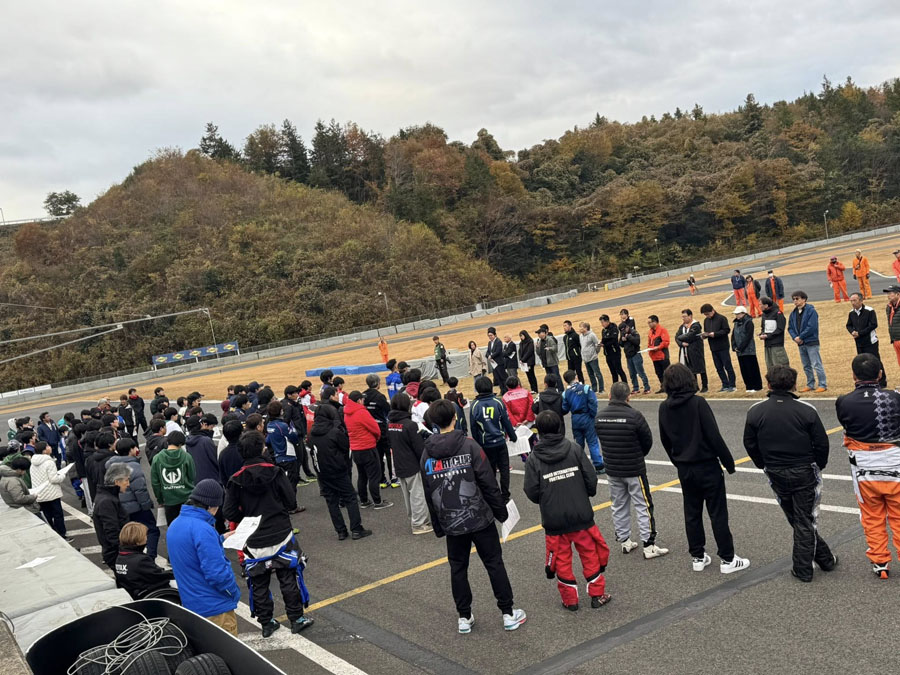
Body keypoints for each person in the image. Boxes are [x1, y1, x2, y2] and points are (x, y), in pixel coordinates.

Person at [420, 399, 526, 634]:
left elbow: (429, 492)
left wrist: (438, 524)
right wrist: (501, 512)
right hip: (479, 517)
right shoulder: (470, 446)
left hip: (451, 521)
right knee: (494, 563)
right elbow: (488, 483)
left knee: (458, 568)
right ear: (455, 418)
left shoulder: (427, 453)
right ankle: (508, 613)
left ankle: (464, 616)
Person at [743, 365, 836, 582]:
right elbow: (821, 443)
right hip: (803, 470)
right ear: (794, 384)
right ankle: (804, 568)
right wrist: (818, 465)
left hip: (776, 471)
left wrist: (763, 464)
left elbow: (749, 443)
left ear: (768, 384)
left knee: (799, 518)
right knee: (803, 518)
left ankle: (825, 559)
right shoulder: (806, 409)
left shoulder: (755, 411)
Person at [658, 363, 749, 574]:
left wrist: (677, 461)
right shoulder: (698, 403)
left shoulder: (664, 407)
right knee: (717, 512)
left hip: (684, 468)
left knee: (692, 512)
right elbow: (713, 435)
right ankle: (727, 558)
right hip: (706, 465)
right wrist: (728, 462)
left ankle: (697, 556)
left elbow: (665, 440)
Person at [224, 431, 313, 637]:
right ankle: (296, 618)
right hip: (280, 531)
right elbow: (291, 501)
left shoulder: (236, 480)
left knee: (259, 582)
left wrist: (247, 514)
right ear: (261, 448)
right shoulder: (275, 472)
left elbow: (229, 512)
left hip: (253, 537)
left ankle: (266, 622)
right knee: (288, 576)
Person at [524, 411, 611, 611]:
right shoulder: (574, 449)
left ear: (539, 431)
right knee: (589, 554)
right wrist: (586, 494)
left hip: (554, 519)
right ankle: (597, 595)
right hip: (580, 513)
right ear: (559, 427)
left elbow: (531, 490)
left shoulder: (534, 458)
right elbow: (591, 478)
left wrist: (545, 501)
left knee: (561, 559)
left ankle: (570, 600)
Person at [835, 353, 900, 578]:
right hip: (895, 464)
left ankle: (880, 561)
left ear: (854, 376)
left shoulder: (843, 401)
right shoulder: (895, 397)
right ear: (880, 374)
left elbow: (846, 425)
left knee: (872, 516)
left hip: (863, 469)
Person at [595, 383, 667, 559]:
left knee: (618, 504)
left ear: (610, 396)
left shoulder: (600, 417)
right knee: (643, 505)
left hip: (612, 468)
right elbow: (647, 440)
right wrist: (638, 454)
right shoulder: (634, 415)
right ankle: (648, 545)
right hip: (634, 468)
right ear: (628, 397)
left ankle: (624, 540)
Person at [167, 479, 241, 635]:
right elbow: (217, 574)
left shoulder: (176, 524)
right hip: (216, 609)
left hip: (192, 606)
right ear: (212, 506)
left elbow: (191, 550)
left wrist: (220, 538)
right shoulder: (203, 529)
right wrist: (234, 592)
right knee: (226, 649)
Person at [308, 403, 371, 541]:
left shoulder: (312, 433)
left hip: (322, 472)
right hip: (338, 470)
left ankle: (341, 531)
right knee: (350, 498)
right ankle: (356, 529)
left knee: (331, 501)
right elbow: (345, 447)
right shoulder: (334, 432)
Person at [106, 437, 160, 559]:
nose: (136, 449)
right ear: (130, 450)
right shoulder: (134, 467)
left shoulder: (111, 465)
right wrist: (146, 506)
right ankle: (150, 558)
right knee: (151, 530)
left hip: (120, 507)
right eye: (135, 447)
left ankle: (131, 559)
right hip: (136, 507)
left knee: (128, 534)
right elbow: (140, 490)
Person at [387, 393, 432, 535]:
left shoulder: (390, 424)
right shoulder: (410, 425)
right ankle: (419, 524)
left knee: (407, 495)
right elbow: (419, 448)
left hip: (398, 463)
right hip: (412, 464)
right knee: (418, 495)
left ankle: (414, 519)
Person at [470, 376, 517, 503]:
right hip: (500, 442)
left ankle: (494, 494)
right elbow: (506, 421)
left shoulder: (475, 405)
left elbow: (474, 428)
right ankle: (505, 494)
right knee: (504, 469)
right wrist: (513, 436)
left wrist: (477, 444)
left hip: (486, 444)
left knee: (490, 471)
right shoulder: (498, 402)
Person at [345, 391, 392, 509]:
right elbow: (375, 428)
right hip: (367, 447)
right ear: (359, 400)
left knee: (362, 475)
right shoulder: (361, 412)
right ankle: (377, 501)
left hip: (355, 448)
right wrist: (376, 438)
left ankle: (364, 500)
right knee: (374, 476)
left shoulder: (346, 413)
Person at [114, 522, 174, 599]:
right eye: (145, 535)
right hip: (151, 594)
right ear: (138, 539)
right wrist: (175, 573)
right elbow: (159, 575)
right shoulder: (141, 560)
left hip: (133, 593)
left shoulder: (120, 558)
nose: (147, 538)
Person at [561, 370, 604, 473]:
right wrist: (592, 415)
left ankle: (580, 466)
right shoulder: (585, 388)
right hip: (587, 416)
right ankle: (598, 465)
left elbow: (564, 409)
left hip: (575, 418)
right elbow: (593, 402)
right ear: (576, 377)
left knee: (579, 444)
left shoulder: (565, 393)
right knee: (592, 442)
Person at [265, 402, 304, 514]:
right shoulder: (282, 426)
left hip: (278, 457)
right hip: (288, 456)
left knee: (284, 482)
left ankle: (285, 504)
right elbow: (294, 437)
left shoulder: (270, 425)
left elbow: (268, 441)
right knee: (292, 482)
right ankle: (292, 506)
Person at [150, 430, 196, 524]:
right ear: (181, 444)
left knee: (173, 526)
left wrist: (160, 499)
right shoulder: (187, 457)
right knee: (189, 525)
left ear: (167, 441)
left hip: (168, 499)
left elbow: (155, 483)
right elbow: (192, 476)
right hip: (186, 497)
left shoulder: (157, 458)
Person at [787, 290, 827, 392]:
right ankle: (810, 384)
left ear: (804, 299)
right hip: (800, 343)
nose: (795, 301)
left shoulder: (811, 311)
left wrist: (801, 337)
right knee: (806, 365)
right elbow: (790, 327)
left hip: (811, 341)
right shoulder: (793, 313)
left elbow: (812, 326)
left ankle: (822, 384)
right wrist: (795, 337)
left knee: (816, 364)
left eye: (797, 299)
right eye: (793, 299)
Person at [93, 463, 131, 570]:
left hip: (115, 552)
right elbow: (111, 531)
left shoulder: (106, 497)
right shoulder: (107, 501)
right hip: (116, 553)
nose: (128, 484)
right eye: (126, 480)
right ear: (117, 482)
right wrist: (125, 551)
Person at [362, 374, 397, 490]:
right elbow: (388, 411)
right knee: (389, 453)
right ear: (377, 383)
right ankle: (393, 478)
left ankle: (382, 479)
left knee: (378, 455)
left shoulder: (363, 395)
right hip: (382, 428)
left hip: (369, 429)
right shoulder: (380, 397)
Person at [30, 442, 69, 540]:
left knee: (47, 515)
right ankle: (62, 534)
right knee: (57, 515)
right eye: (47, 446)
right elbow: (54, 479)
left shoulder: (33, 463)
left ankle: (51, 534)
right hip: (52, 493)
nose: (50, 447)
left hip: (40, 493)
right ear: (44, 450)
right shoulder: (49, 462)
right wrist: (62, 475)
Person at [847, 292, 886, 387]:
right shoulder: (852, 313)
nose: (853, 303)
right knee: (862, 362)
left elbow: (873, 324)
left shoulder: (869, 310)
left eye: (854, 300)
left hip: (870, 341)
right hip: (859, 342)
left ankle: (882, 381)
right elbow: (848, 325)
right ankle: (865, 380)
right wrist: (852, 332)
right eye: (851, 301)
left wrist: (860, 333)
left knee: (875, 361)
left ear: (861, 300)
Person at [701, 303, 736, 392]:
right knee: (718, 368)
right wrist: (705, 335)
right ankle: (725, 384)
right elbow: (706, 331)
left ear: (712, 311)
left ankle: (732, 385)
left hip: (723, 346)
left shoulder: (721, 318)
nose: (707, 316)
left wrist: (715, 334)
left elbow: (726, 330)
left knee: (728, 366)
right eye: (705, 315)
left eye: (708, 314)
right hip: (713, 347)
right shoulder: (706, 321)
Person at [282, 386, 314, 482]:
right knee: (298, 457)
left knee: (304, 456)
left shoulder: (296, 404)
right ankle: (297, 477)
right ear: (289, 395)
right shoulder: (287, 406)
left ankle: (308, 473)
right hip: (294, 435)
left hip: (300, 433)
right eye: (295, 393)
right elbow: (286, 421)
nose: (297, 394)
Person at [674, 308, 708, 392]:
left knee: (701, 368)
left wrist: (680, 337)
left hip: (696, 350)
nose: (683, 318)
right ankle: (695, 386)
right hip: (686, 351)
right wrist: (681, 343)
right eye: (682, 317)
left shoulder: (696, 326)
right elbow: (676, 337)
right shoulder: (682, 326)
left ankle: (705, 386)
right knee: (690, 370)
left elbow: (689, 336)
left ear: (690, 316)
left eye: (685, 316)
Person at [618, 310, 650, 394]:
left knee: (640, 372)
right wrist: (622, 340)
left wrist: (628, 336)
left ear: (627, 328)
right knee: (632, 373)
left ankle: (647, 387)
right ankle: (636, 388)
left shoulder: (634, 332)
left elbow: (637, 342)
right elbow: (620, 344)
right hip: (628, 355)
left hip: (635, 353)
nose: (623, 332)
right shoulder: (622, 333)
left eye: (624, 330)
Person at [731, 307, 763, 392]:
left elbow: (748, 336)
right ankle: (748, 386)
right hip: (739, 351)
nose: (737, 316)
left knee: (752, 368)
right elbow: (733, 335)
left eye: (738, 314)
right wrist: (734, 346)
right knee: (744, 369)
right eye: (736, 314)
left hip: (749, 350)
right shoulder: (736, 323)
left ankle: (757, 386)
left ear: (743, 313)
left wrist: (741, 347)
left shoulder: (749, 322)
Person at [759, 296, 790, 370]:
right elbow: (763, 327)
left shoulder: (778, 313)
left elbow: (780, 329)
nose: (759, 306)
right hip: (767, 345)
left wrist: (768, 336)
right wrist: (762, 333)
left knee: (780, 366)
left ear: (766, 305)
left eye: (760, 304)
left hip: (776, 345)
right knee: (770, 366)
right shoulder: (764, 315)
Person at [600, 315, 628, 385]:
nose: (602, 324)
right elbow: (604, 340)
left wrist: (605, 343)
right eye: (601, 322)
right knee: (613, 372)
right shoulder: (603, 331)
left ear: (607, 321)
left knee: (619, 370)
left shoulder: (614, 328)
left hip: (615, 352)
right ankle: (615, 387)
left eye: (603, 322)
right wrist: (602, 343)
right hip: (607, 353)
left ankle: (625, 385)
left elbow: (613, 339)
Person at [646, 315, 671, 393]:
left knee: (667, 372)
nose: (649, 324)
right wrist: (650, 348)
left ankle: (671, 387)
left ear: (655, 322)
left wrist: (658, 347)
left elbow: (666, 342)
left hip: (662, 356)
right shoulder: (650, 331)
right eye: (648, 323)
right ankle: (663, 386)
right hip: (654, 356)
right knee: (658, 372)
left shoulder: (662, 330)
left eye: (650, 322)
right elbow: (649, 343)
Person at [578, 322, 604, 394]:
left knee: (597, 373)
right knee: (590, 374)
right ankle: (594, 389)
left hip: (593, 358)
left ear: (586, 328)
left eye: (581, 327)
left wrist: (595, 353)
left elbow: (597, 344)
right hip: (585, 358)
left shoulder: (592, 335)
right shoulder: (580, 336)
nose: (580, 329)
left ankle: (601, 389)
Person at [535, 326, 562, 393]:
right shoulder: (540, 342)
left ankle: (560, 390)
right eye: (538, 334)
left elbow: (555, 349)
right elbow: (539, 353)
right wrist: (537, 348)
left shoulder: (550, 339)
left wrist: (549, 348)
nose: (538, 335)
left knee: (556, 377)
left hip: (552, 362)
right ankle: (553, 391)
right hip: (545, 363)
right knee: (549, 378)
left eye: (539, 333)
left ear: (544, 333)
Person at [486, 327, 508, 394]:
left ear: (495, 335)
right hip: (493, 363)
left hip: (499, 363)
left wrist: (491, 356)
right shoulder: (489, 343)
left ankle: (506, 390)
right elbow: (488, 351)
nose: (490, 337)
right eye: (489, 336)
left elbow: (498, 351)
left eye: (491, 335)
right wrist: (488, 356)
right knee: (498, 378)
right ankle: (502, 390)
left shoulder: (498, 341)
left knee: (503, 377)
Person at [885, 284, 900, 367]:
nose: (888, 295)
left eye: (891, 293)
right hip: (895, 339)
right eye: (888, 293)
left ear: (898, 294)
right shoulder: (889, 307)